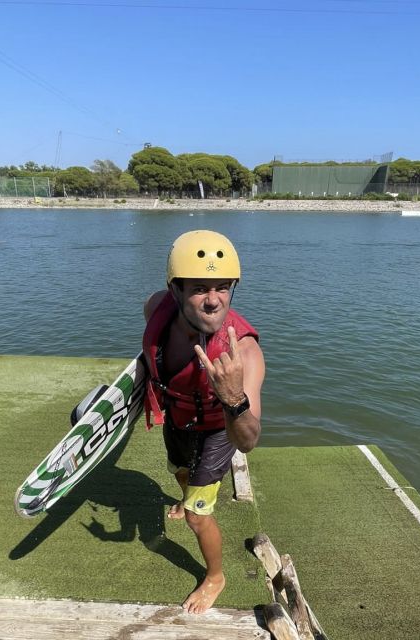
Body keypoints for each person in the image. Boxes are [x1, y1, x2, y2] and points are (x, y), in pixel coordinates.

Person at [142, 229, 265, 614]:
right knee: (177, 469)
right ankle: (185, 493)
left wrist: (233, 398)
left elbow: (248, 440)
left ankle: (215, 576)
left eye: (223, 287)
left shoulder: (244, 352)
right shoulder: (155, 309)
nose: (214, 300)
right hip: (178, 416)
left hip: (219, 429)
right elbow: (150, 343)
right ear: (175, 291)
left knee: (197, 515)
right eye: (199, 288)